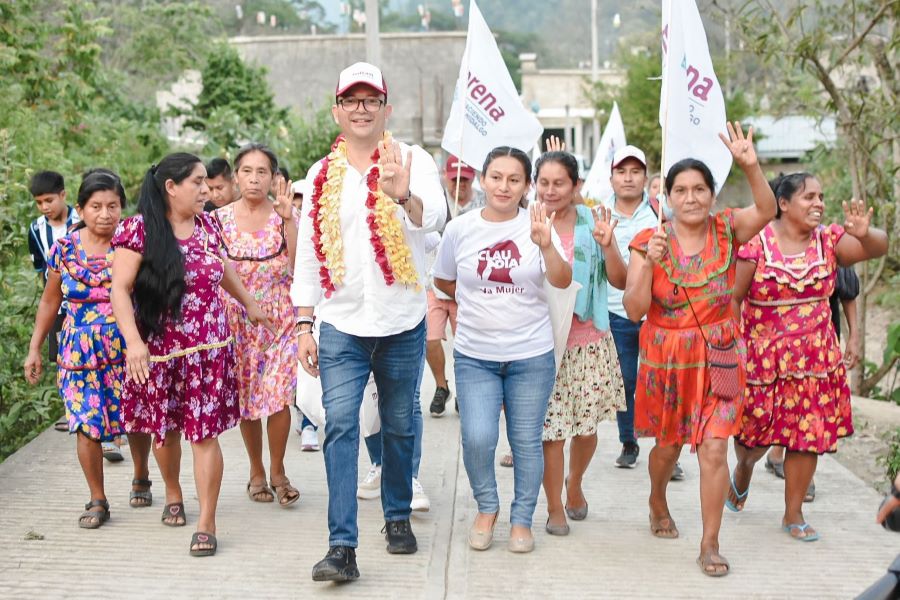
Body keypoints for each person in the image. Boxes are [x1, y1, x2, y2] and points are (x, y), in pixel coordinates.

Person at [292, 62, 445, 582]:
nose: (361, 109)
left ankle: (397, 514)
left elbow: (436, 219)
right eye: (351, 100)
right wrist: (303, 323)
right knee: (339, 426)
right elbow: (310, 254)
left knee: (401, 425)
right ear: (337, 110)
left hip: (401, 320)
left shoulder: (413, 159)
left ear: (385, 108)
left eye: (370, 100)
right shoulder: (319, 175)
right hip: (340, 323)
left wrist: (402, 193)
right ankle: (342, 547)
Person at [622, 122, 776, 576]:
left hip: (720, 356)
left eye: (700, 189)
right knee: (667, 451)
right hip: (667, 359)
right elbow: (634, 309)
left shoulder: (728, 229)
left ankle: (710, 542)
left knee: (713, 450)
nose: (691, 197)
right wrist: (649, 263)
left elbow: (767, 209)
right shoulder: (647, 241)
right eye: (681, 190)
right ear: (667, 197)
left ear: (711, 194)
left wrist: (749, 164)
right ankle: (657, 497)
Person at [111, 152, 272, 558]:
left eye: (207, 183)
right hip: (158, 353)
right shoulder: (138, 230)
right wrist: (133, 343)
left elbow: (223, 269)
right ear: (171, 187)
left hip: (208, 352)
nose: (206, 190)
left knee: (205, 435)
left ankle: (207, 521)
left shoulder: (207, 228)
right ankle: (171, 489)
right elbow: (118, 290)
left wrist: (249, 303)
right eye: (198, 183)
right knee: (165, 431)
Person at [728, 172, 888, 543]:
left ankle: (793, 512)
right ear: (783, 204)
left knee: (806, 436)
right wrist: (735, 345)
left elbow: (876, 248)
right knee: (753, 440)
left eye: (821, 196)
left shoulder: (829, 241)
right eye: (809, 197)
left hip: (816, 360)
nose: (818, 203)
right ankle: (744, 469)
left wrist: (864, 233)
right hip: (763, 360)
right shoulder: (757, 244)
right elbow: (734, 298)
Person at [433, 146, 572, 554]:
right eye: (496, 177)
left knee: (526, 440)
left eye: (514, 179)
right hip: (476, 354)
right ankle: (487, 507)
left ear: (527, 186)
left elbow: (562, 281)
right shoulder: (460, 228)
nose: (504, 186)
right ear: (482, 179)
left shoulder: (539, 224)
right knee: (477, 437)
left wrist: (546, 245)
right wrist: (480, 304)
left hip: (531, 354)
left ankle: (523, 518)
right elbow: (443, 280)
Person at [23, 169, 147, 527]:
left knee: (135, 415)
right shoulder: (63, 250)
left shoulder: (133, 246)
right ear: (80, 209)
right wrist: (35, 349)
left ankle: (140, 474)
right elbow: (49, 303)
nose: (105, 214)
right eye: (96, 206)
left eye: (113, 206)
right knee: (83, 423)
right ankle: (97, 498)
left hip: (127, 349)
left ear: (123, 207)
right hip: (76, 352)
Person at [534, 149, 627, 536]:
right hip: (541, 344)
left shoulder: (594, 221)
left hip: (589, 342)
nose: (551, 190)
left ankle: (575, 482)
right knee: (550, 433)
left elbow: (621, 281)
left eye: (560, 183)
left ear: (576, 186)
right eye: (544, 182)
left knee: (586, 431)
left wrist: (608, 246)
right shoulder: (527, 222)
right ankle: (555, 506)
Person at [214, 143, 300, 507]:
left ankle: (278, 469)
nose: (253, 178)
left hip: (279, 320)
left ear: (274, 178)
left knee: (278, 397)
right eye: (246, 171)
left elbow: (298, 265)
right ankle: (255, 472)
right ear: (236, 177)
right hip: (236, 322)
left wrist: (288, 220)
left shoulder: (288, 214)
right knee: (248, 400)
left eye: (261, 172)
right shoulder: (218, 221)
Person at [600, 147, 681, 477]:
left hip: (655, 315)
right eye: (622, 172)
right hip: (615, 314)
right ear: (612, 178)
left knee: (661, 384)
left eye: (635, 172)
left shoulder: (661, 219)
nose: (628, 177)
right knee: (625, 381)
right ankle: (628, 441)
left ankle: (667, 449)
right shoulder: (602, 216)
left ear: (646, 179)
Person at [764, 264, 860, 502]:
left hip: (820, 347)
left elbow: (847, 291)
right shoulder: (770, 242)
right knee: (785, 408)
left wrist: (854, 336)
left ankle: (803, 478)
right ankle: (775, 454)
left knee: (811, 413)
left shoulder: (828, 245)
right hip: (779, 344)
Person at [27, 172, 89, 433]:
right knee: (62, 358)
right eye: (39, 202)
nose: (45, 207)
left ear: (63, 195)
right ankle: (71, 409)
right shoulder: (36, 229)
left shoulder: (81, 220)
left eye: (49, 200)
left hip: (84, 302)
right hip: (57, 303)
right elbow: (40, 267)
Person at [428, 155, 481, 416]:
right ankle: (441, 386)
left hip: (466, 286)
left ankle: (463, 389)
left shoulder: (482, 202)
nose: (459, 185)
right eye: (454, 180)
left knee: (465, 342)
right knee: (430, 338)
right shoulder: (438, 200)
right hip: (435, 283)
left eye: (465, 180)